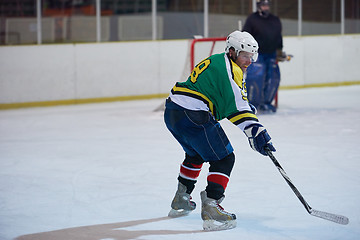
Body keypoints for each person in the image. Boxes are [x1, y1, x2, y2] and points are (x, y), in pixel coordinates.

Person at [163, 30, 276, 231]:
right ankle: (211, 207)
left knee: (195, 154)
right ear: (232, 51)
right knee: (224, 158)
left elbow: (228, 100)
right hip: (192, 113)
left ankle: (181, 198)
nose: (249, 61)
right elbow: (237, 108)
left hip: (173, 112)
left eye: (251, 56)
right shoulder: (232, 70)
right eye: (245, 55)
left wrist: (246, 110)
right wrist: (256, 132)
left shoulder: (217, 60)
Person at [242, 0, 285, 113]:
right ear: (259, 6)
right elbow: (245, 35)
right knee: (256, 77)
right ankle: (252, 104)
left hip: (271, 53)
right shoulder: (252, 19)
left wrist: (279, 50)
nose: (266, 8)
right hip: (257, 54)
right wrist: (245, 52)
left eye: (267, 5)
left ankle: (266, 103)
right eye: (263, 5)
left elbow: (278, 36)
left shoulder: (275, 20)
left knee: (273, 78)